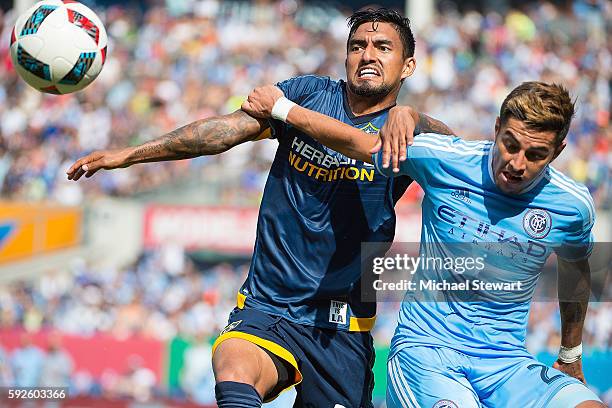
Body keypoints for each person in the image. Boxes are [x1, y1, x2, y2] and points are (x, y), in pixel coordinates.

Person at [66, 8, 453, 407]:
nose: (367, 55)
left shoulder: (410, 133)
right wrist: (129, 154)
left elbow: (461, 156)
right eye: (358, 46)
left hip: (342, 324)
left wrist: (414, 115)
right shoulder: (309, 93)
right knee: (234, 368)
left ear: (407, 66)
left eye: (382, 47)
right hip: (268, 306)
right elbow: (222, 133)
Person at [241, 81, 605, 407]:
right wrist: (283, 109)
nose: (517, 163)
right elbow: (360, 144)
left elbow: (575, 269)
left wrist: (570, 353)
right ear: (496, 129)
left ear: (557, 152)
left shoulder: (571, 206)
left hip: (505, 363)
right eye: (510, 145)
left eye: (536, 154)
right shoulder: (445, 159)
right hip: (425, 353)